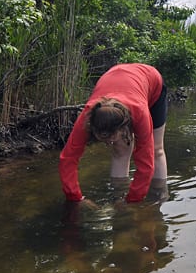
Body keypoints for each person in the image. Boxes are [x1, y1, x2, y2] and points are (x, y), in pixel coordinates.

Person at [59, 63, 168, 203]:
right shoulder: (88, 115)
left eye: (111, 138)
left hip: (151, 82)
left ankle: (160, 194)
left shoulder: (140, 114)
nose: (108, 143)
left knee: (156, 150)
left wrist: (132, 202)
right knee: (120, 149)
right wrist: (76, 198)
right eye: (103, 138)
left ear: (124, 127)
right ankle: (118, 195)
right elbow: (68, 158)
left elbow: (145, 164)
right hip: (116, 76)